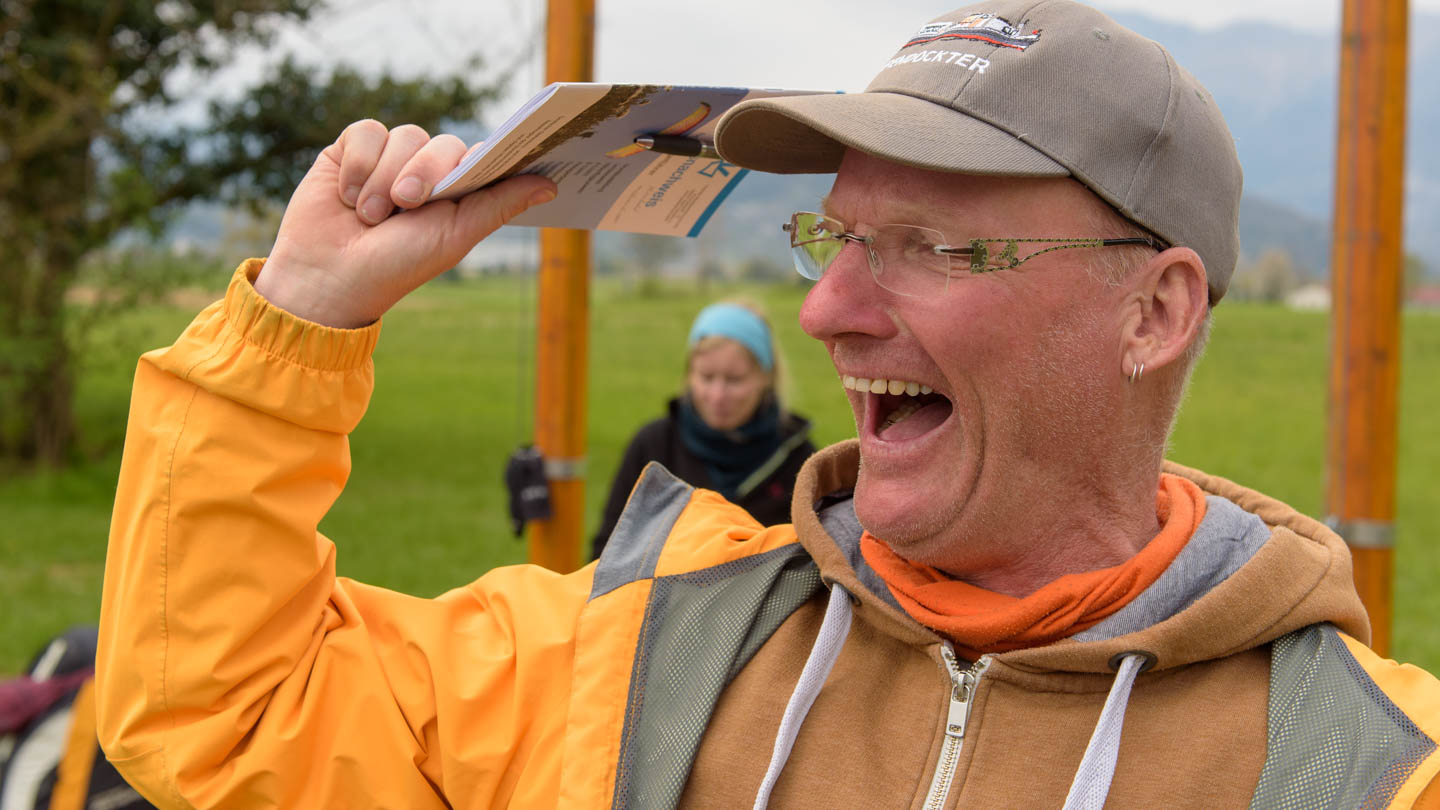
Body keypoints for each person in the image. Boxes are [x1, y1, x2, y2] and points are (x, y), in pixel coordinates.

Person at [95, 1, 1440, 807]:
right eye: (833, 237)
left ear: (1154, 309)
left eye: (929, 243)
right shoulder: (647, 654)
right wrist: (302, 320)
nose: (830, 310)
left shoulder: (1367, 768)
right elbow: (224, 710)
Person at [591, 301, 815, 559]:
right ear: (689, 375)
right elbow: (608, 551)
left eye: (734, 380)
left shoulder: (797, 458)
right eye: (706, 378)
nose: (717, 395)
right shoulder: (654, 446)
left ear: (765, 377)